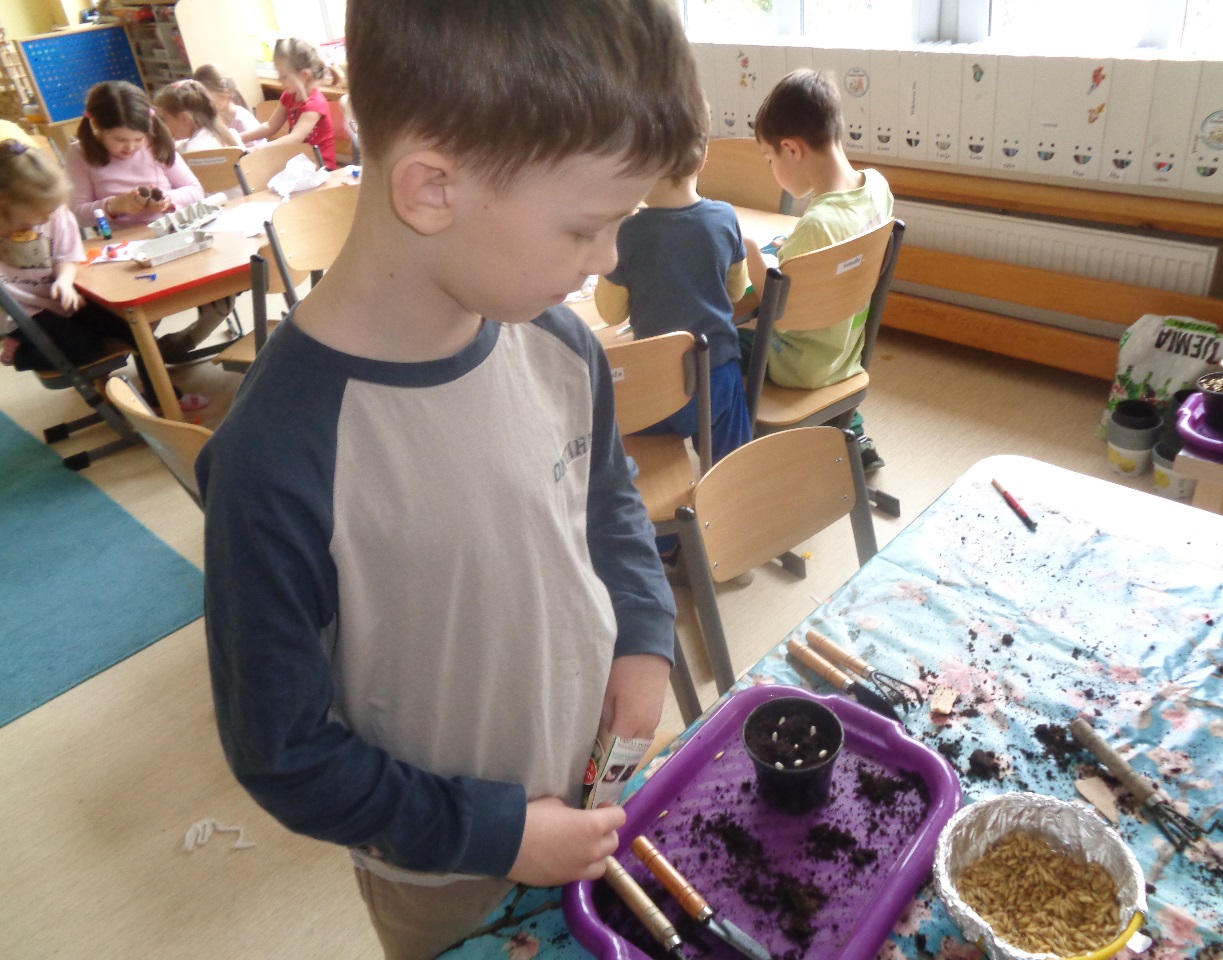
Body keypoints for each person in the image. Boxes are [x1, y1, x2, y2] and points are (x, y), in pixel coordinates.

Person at [195, 1, 702, 958]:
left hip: (592, 781)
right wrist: (498, 832)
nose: (610, 260)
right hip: (445, 868)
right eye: (588, 227)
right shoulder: (276, 460)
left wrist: (641, 631)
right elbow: (284, 753)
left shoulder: (561, 346)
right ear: (433, 188)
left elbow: (606, 502)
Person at [595, 128, 751, 560]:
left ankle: (664, 541)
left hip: (655, 388)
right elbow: (738, 291)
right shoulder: (724, 218)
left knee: (646, 459)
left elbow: (611, 313)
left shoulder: (629, 232)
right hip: (716, 375)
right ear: (703, 159)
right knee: (729, 455)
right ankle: (733, 536)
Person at [743, 68, 895, 473]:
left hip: (799, 365)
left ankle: (737, 451)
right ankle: (851, 429)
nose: (771, 168)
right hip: (846, 351)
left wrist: (751, 251)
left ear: (791, 149)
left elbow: (778, 310)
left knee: (722, 344)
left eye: (770, 158)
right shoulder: (877, 188)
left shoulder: (817, 226)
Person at [0, 138, 199, 409]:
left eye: (50, 210)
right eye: (37, 215)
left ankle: (162, 395)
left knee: (133, 327)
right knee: (87, 350)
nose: (46, 218)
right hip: (21, 315)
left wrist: (65, 281)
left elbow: (67, 255)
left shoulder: (54, 211)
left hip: (61, 296)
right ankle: (21, 352)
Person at [67, 80, 230, 365]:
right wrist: (113, 205)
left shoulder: (156, 142)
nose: (130, 147)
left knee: (224, 277)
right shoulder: (81, 153)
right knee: (139, 310)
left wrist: (168, 200)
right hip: (125, 253)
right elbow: (76, 212)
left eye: (137, 139)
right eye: (119, 139)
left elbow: (194, 189)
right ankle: (147, 358)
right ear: (97, 128)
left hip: (172, 238)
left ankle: (191, 336)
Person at [238, 38, 338, 170]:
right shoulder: (289, 95)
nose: (279, 80)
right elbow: (270, 126)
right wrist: (238, 138)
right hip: (298, 163)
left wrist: (256, 150)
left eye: (284, 76)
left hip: (320, 168)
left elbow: (295, 139)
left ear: (304, 75)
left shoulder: (314, 104)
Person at [154, 79, 244, 152]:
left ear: (185, 119)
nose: (162, 125)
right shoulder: (227, 134)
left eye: (164, 119)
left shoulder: (195, 152)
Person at [193, 64, 264, 148]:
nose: (202, 103)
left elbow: (250, 153)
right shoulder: (213, 120)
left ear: (225, 93)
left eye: (206, 98)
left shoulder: (242, 120)